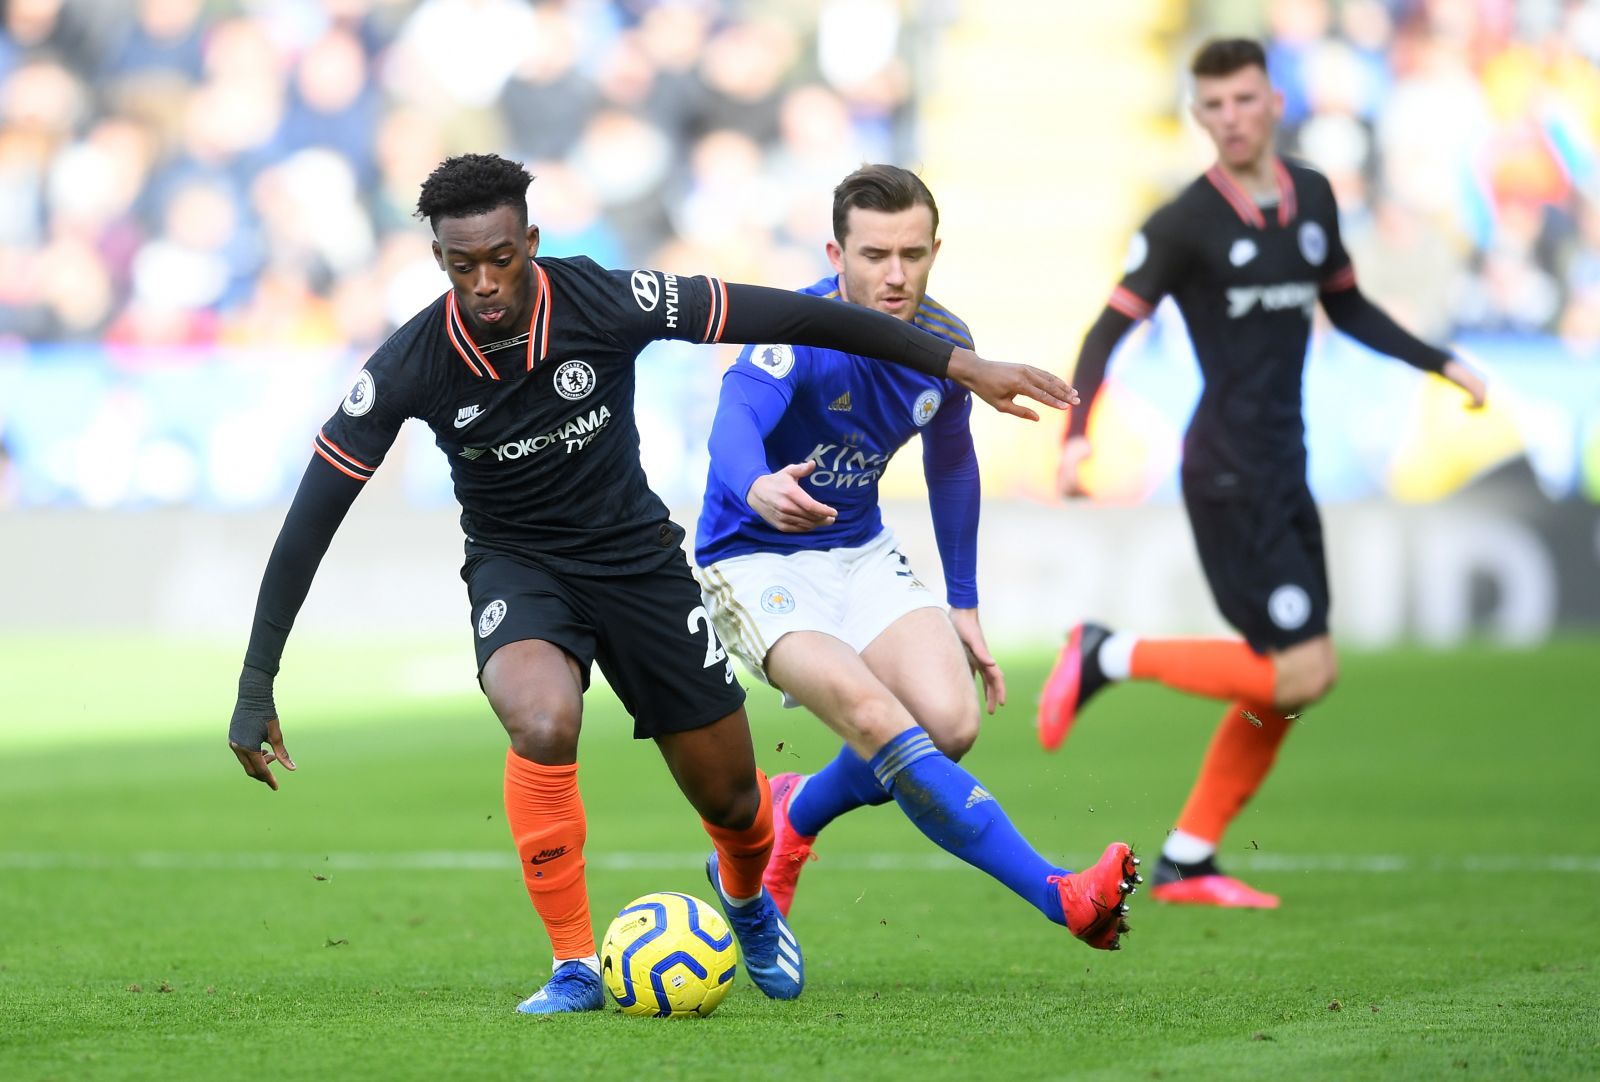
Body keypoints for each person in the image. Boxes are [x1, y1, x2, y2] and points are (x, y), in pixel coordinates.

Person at [225, 153, 1079, 1013]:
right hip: (520, 566)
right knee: (541, 718)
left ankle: (746, 897)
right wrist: (258, 680)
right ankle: (573, 964)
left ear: (530, 242)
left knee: (734, 802)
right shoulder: (411, 363)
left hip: (638, 561)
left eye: (501, 259)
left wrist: (958, 365)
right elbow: (311, 519)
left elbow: (794, 315)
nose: (484, 283)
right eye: (462, 265)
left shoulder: (607, 300)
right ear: (438, 259)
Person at [1040, 40, 1488, 908]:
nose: (1232, 118)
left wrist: (1440, 362)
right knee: (1299, 673)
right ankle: (1107, 653)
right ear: (1198, 115)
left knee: (1294, 678)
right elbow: (1106, 331)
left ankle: (1189, 857)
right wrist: (1076, 435)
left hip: (1287, 464)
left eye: (1245, 99)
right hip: (1227, 472)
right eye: (1214, 105)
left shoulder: (1312, 196)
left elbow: (1346, 306)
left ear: (1274, 102)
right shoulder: (1183, 223)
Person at [693, 164, 1140, 952]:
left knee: (950, 722)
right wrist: (758, 484)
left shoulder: (945, 342)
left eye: (912, 253)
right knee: (878, 717)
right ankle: (1060, 895)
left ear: (936, 250)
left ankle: (793, 814)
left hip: (859, 550)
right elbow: (733, 423)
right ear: (837, 255)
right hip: (756, 558)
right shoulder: (797, 329)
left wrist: (962, 601)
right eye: (874, 255)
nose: (895, 275)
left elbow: (953, 464)